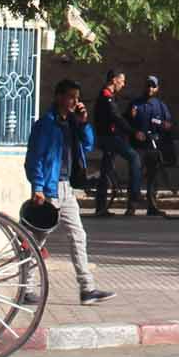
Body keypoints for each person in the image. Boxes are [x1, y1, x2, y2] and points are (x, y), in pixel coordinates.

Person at [25, 78, 111, 304]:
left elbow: (88, 145)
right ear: (59, 97)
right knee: (37, 240)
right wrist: (38, 186)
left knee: (78, 236)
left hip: (67, 188)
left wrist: (84, 124)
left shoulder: (72, 123)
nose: (75, 101)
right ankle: (25, 285)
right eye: (71, 96)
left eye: (77, 97)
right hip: (50, 190)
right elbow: (35, 158)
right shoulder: (46, 124)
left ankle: (87, 288)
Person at [88, 68, 142, 217]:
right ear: (114, 80)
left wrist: (128, 116)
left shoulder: (109, 96)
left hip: (107, 137)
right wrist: (133, 132)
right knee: (134, 157)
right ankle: (134, 198)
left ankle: (100, 207)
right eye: (122, 81)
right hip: (109, 138)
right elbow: (115, 118)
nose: (123, 84)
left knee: (105, 172)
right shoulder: (106, 96)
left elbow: (115, 116)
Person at [131, 75, 175, 194]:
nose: (150, 88)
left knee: (153, 176)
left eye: (153, 86)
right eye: (148, 85)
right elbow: (126, 122)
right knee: (135, 174)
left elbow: (169, 124)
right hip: (138, 146)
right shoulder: (135, 104)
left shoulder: (160, 105)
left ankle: (152, 206)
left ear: (157, 89)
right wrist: (134, 132)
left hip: (153, 145)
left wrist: (163, 125)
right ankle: (132, 205)